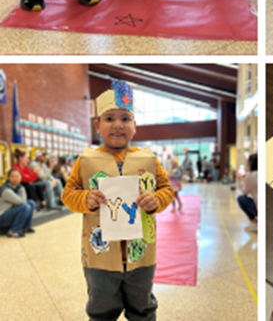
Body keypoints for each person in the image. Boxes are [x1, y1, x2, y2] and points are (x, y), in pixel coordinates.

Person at [62, 78, 174, 321]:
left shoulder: (148, 159)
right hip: (100, 256)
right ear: (97, 125)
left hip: (141, 254)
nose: (118, 125)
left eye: (125, 118)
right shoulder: (86, 161)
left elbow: (166, 189)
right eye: (109, 118)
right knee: (101, 309)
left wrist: (156, 200)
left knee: (142, 307)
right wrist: (85, 199)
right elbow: (68, 193)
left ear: (135, 125)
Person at [0, 168, 36, 238]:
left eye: (17, 176)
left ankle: (25, 227)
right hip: (2, 217)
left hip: (9, 213)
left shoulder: (17, 187)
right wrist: (22, 189)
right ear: (8, 178)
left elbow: (23, 201)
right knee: (25, 207)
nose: (15, 178)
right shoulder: (6, 190)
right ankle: (14, 231)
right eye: (12, 176)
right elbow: (22, 202)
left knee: (31, 203)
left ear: (20, 177)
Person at [237, 153, 257, 233]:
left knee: (241, 198)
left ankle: (254, 222)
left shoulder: (251, 176)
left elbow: (245, 192)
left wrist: (240, 181)